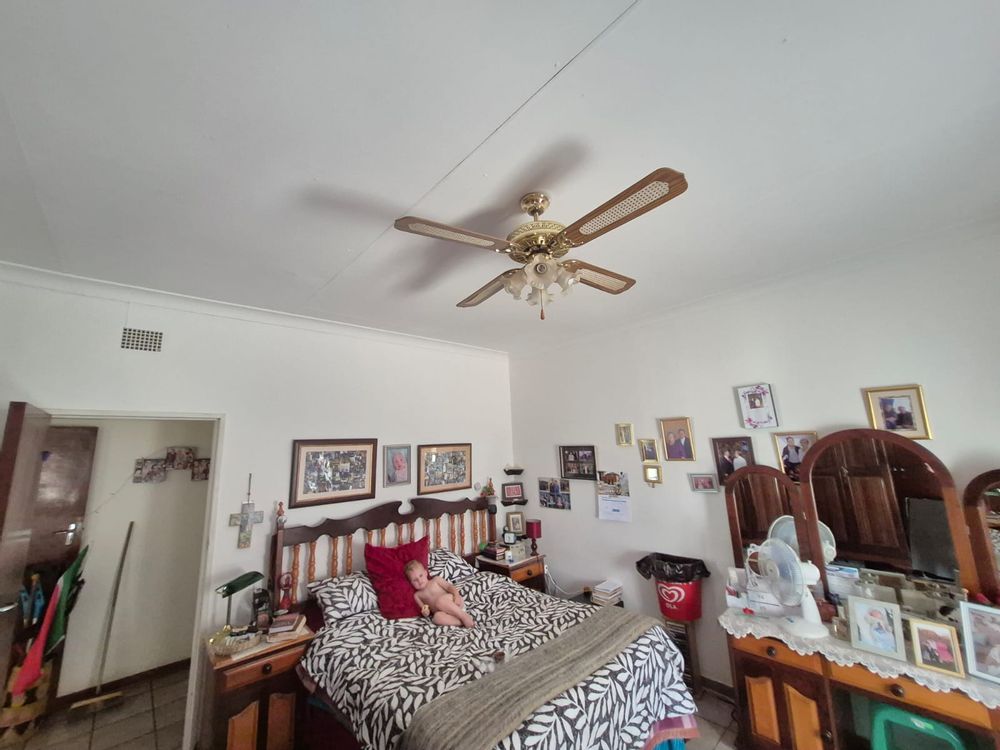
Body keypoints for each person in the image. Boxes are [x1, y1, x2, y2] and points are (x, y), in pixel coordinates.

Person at [405, 560, 475, 628]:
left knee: (440, 601)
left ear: (425, 573)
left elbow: (449, 587)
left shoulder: (435, 580)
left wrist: (456, 596)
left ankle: (464, 616)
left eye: (421, 575)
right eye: (415, 580)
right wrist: (425, 612)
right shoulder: (417, 595)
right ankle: (461, 622)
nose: (419, 581)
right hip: (445, 613)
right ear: (411, 583)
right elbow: (424, 608)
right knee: (436, 618)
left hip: (455, 603)